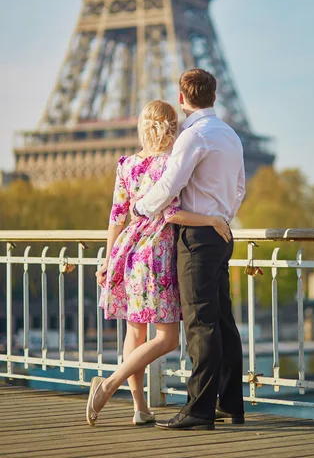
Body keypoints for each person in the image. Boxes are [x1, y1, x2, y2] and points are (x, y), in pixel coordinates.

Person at [87, 99, 231, 427]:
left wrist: (109, 262)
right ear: (172, 127)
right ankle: (109, 385)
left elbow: (116, 218)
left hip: (127, 252)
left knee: (135, 332)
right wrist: (210, 220)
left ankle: (140, 409)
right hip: (156, 255)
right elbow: (171, 213)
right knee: (167, 338)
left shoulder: (126, 165)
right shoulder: (169, 164)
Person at [130, 68, 246, 431]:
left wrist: (139, 208)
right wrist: (221, 216)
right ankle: (230, 403)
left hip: (195, 239)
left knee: (200, 324)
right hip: (221, 233)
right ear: (214, 96)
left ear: (182, 100)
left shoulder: (193, 136)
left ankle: (199, 409)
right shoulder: (229, 135)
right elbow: (239, 188)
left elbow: (169, 184)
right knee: (223, 321)